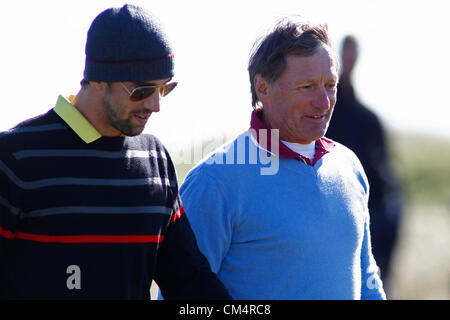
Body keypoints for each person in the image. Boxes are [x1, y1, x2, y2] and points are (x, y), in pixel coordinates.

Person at [0, 4, 231, 300]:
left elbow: (187, 278)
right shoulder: (15, 156)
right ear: (98, 79)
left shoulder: (155, 159)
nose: (155, 105)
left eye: (164, 89)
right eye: (142, 90)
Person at [176, 18, 386, 299]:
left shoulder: (349, 167)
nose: (324, 102)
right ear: (263, 88)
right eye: (307, 87)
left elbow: (366, 280)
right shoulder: (215, 181)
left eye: (330, 85)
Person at [326, 35, 403, 288]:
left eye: (353, 54)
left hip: (370, 212)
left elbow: (383, 169)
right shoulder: (322, 115)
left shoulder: (368, 120)